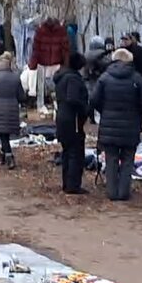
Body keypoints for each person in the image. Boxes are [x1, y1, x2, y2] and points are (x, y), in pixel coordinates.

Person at [92, 48, 142, 201]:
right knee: (127, 159)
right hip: (131, 126)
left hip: (108, 126)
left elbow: (93, 100)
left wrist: (104, 111)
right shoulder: (137, 78)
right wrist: (136, 111)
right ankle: (124, 192)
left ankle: (112, 192)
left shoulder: (104, 78)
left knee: (111, 158)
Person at [54, 52, 90, 195]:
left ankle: (67, 183)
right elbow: (73, 99)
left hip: (63, 117)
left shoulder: (61, 77)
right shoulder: (73, 79)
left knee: (67, 152)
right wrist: (85, 109)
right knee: (75, 152)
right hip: (72, 119)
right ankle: (73, 185)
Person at [0, 54, 26, 170]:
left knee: (3, 133)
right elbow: (22, 97)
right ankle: (2, 155)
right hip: (12, 109)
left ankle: (9, 156)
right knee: (5, 134)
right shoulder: (16, 77)